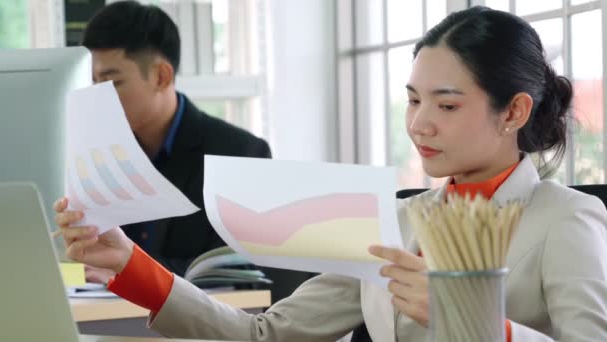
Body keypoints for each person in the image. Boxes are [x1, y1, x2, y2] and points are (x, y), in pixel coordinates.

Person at [54, 6, 607, 341]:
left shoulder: (565, 219)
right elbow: (266, 333)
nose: (420, 124)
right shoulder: (394, 222)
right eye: (413, 101)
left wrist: (475, 319)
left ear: (513, 111)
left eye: (447, 105)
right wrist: (131, 267)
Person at [77, 0, 272, 283]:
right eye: (94, 81)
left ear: (161, 76)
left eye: (111, 81)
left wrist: (125, 267)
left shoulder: (240, 154)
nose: (99, 95)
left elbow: (230, 272)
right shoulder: (99, 158)